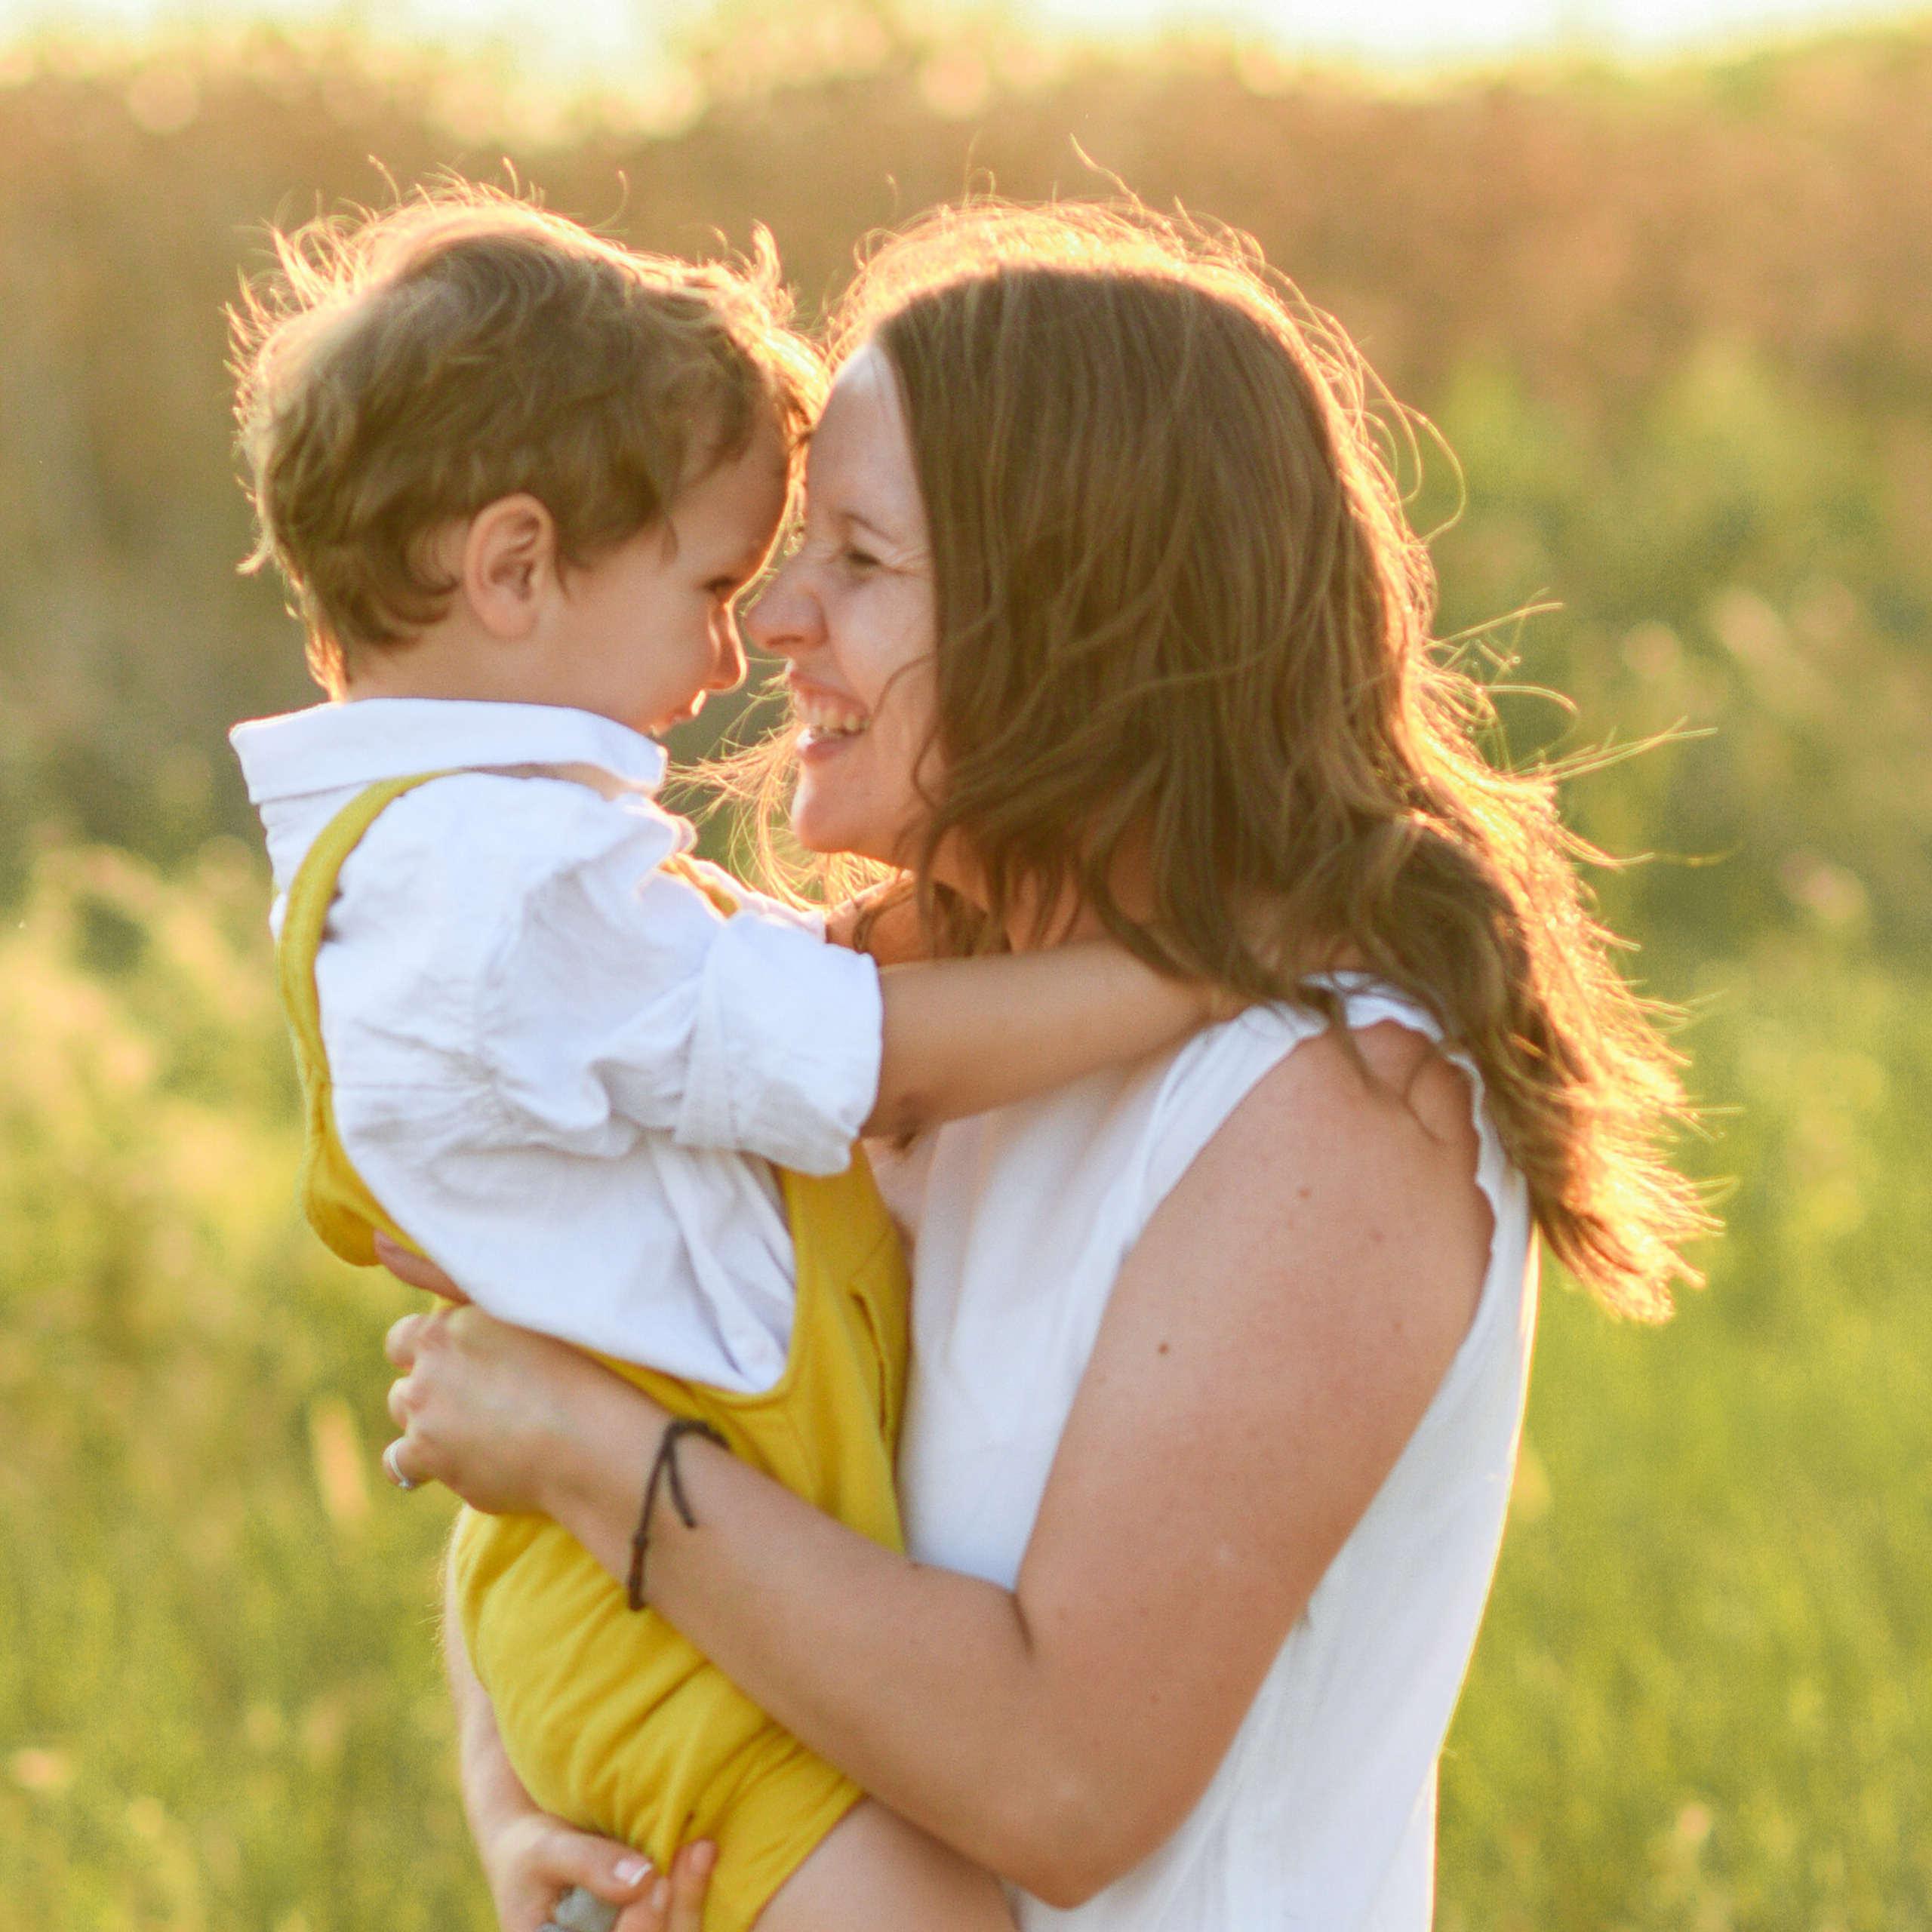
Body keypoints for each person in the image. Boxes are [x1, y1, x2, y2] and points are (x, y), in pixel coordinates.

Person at [380, 203, 1709, 1932]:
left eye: (855, 558)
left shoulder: (1331, 1102)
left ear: (1081, 614)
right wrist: (522, 1807)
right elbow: (518, 1402)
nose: (772, 616)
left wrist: (601, 1464)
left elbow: (1061, 1780)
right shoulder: (843, 1023)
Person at [227, 189, 1231, 1932]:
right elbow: (873, 1056)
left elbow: (772, 1002)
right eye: (713, 583)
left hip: (625, 1583)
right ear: (515, 567)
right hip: (663, 1632)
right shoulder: (500, 880)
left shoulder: (472, 858)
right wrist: (1189, 967)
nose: (734, 648)